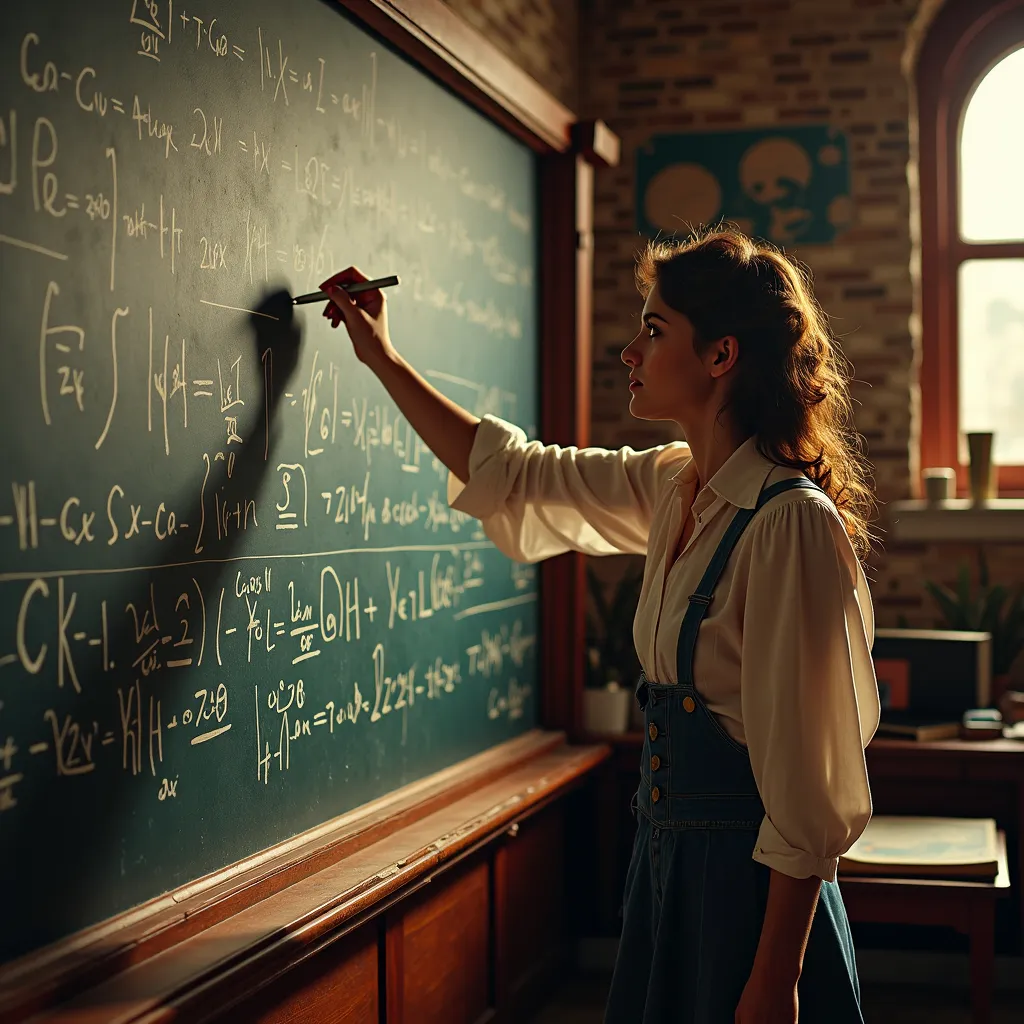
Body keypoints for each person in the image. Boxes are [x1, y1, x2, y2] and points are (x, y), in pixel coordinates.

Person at [318, 224, 880, 1024]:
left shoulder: (789, 526)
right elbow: (514, 475)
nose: (630, 352)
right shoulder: (675, 487)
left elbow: (809, 789)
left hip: (751, 907)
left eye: (654, 331)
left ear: (721, 357)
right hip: (668, 881)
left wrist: (774, 980)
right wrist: (380, 356)